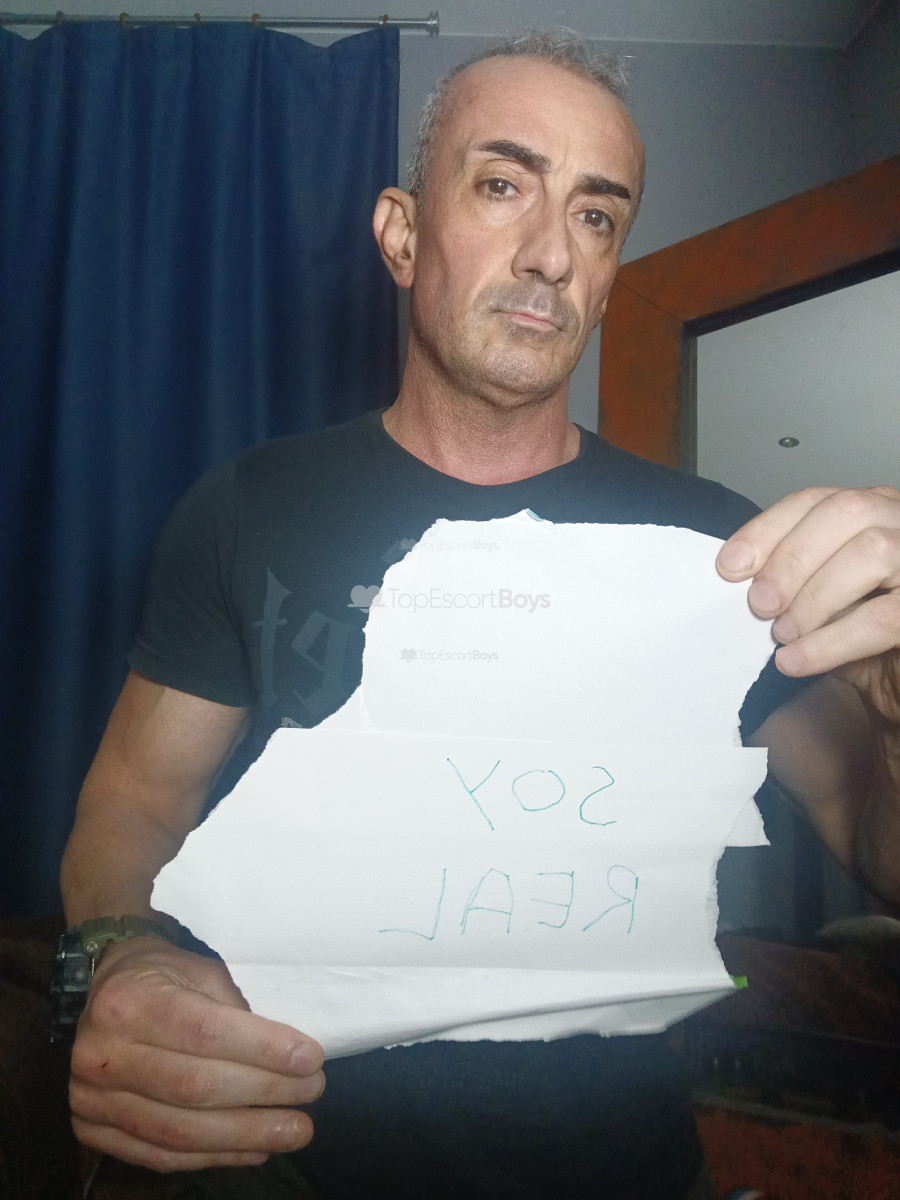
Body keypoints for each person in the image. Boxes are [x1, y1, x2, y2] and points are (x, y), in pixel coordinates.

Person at [59, 30, 900, 1200]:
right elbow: (133, 800)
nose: (551, 252)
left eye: (597, 215)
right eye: (504, 185)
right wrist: (123, 957)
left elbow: (870, 833)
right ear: (403, 234)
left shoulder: (720, 552)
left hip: (633, 1175)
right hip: (290, 1166)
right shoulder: (249, 509)